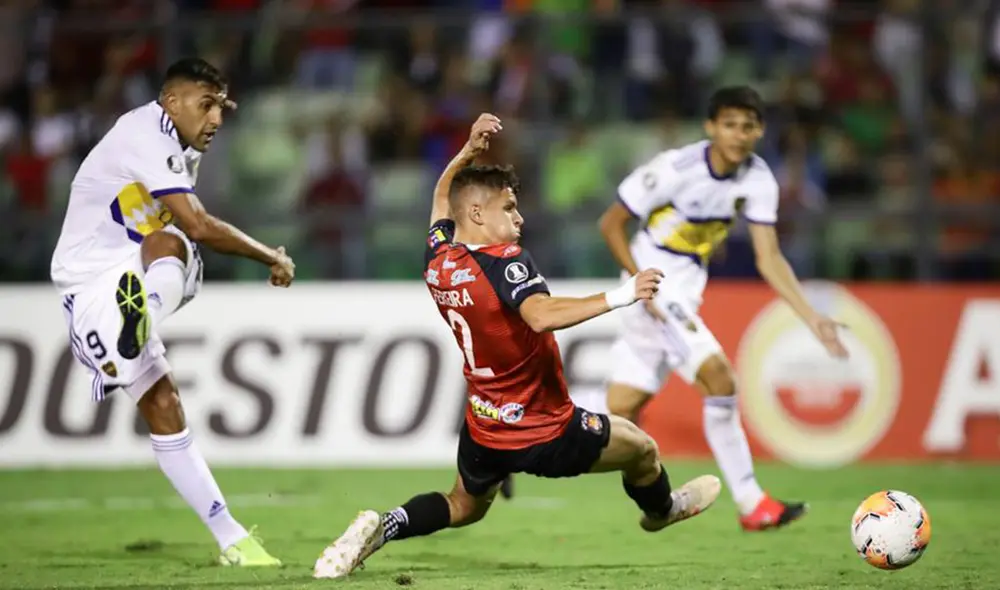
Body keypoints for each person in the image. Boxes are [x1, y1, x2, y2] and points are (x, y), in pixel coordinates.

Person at [313, 114, 722, 580]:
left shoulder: (439, 259)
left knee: (463, 505)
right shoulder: (506, 261)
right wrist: (623, 294)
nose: (519, 216)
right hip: (543, 428)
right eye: (509, 207)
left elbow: (440, 198)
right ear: (477, 214)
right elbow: (541, 315)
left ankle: (384, 526)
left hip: (484, 425)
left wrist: (466, 152)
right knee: (641, 448)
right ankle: (662, 510)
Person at [50, 58, 293, 566]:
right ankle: (137, 322)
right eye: (206, 106)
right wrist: (271, 255)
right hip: (91, 284)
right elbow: (200, 225)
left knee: (164, 403)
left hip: (130, 273)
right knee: (178, 238)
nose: (216, 120)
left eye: (221, 108)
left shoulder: (181, 146)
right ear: (171, 102)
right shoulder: (145, 132)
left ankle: (234, 542)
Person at [597, 86, 849, 531]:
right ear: (711, 127)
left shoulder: (758, 179)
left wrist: (812, 317)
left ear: (760, 131)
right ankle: (752, 503)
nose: (738, 134)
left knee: (620, 411)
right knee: (720, 379)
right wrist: (641, 285)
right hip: (652, 285)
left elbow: (768, 257)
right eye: (729, 124)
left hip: (685, 289)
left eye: (748, 125)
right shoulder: (674, 169)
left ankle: (516, 446)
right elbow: (611, 223)